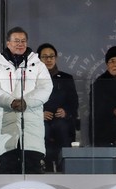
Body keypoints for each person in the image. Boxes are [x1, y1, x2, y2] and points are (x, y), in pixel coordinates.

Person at [0, 26, 53, 174]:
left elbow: (46, 88)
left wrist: (26, 102)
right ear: (8, 43)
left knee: (33, 172)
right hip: (7, 128)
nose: (20, 44)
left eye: (23, 41)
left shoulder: (38, 65)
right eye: (16, 41)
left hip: (32, 128)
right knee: (8, 172)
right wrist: (11, 102)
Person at [36, 42, 79, 171]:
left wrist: (66, 112)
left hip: (61, 119)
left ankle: (64, 167)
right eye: (45, 57)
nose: (49, 59)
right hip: (40, 118)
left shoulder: (66, 78)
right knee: (42, 129)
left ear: (56, 58)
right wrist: (39, 113)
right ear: (39, 59)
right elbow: (28, 102)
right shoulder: (32, 79)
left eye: (51, 56)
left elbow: (74, 102)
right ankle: (44, 165)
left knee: (62, 127)